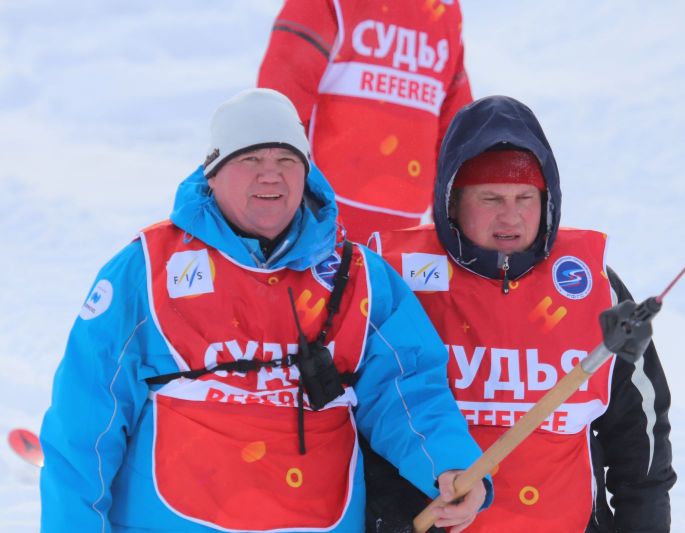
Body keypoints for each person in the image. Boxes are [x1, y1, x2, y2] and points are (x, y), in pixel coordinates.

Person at [39, 88, 491, 533]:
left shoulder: (360, 277)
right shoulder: (147, 269)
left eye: (286, 160)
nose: (270, 176)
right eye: (251, 159)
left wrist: (446, 463)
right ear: (213, 173)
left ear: (307, 173)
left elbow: (408, 389)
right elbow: (85, 424)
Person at [367, 95, 677, 531]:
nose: (510, 217)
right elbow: (362, 414)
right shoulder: (395, 277)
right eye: (491, 198)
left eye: (525, 197)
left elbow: (639, 428)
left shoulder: (592, 284)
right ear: (452, 201)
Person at [257, 0, 472, 242]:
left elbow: (457, 130)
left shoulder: (444, 10)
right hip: (320, 217)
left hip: (402, 232)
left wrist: (459, 224)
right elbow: (280, 103)